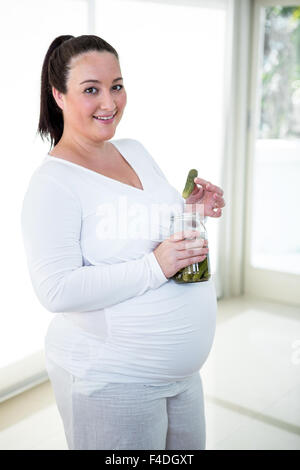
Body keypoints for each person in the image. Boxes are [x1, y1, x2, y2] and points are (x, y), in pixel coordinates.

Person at [21, 35, 225, 450]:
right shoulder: (52, 183)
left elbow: (146, 224)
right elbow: (56, 290)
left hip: (183, 377)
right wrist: (156, 266)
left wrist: (190, 210)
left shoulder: (135, 150)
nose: (109, 102)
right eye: (90, 89)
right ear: (58, 95)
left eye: (116, 85)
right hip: (113, 382)